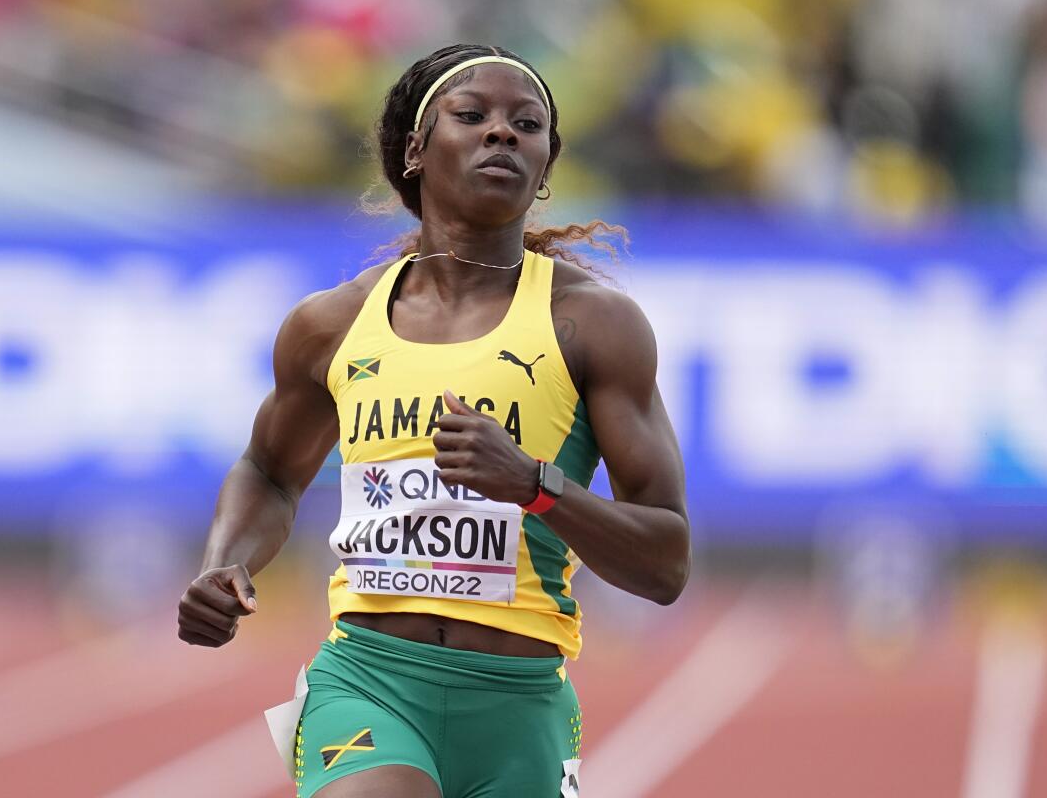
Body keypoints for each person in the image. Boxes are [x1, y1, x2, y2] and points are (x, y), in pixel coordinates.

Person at [176, 43, 690, 798]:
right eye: (473, 115)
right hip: (369, 682)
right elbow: (269, 470)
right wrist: (225, 562)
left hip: (521, 704)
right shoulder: (332, 325)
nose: (503, 133)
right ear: (417, 149)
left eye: (528, 124)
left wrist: (534, 485)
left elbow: (666, 562)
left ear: (546, 166)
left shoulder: (591, 324)